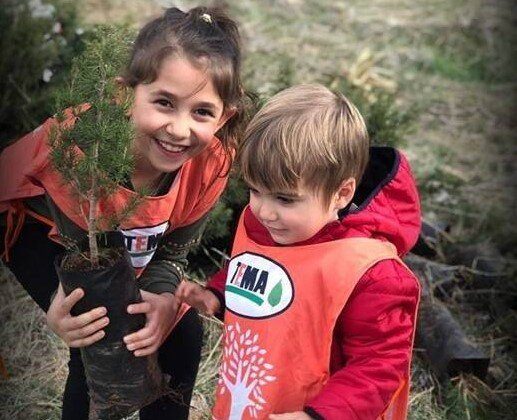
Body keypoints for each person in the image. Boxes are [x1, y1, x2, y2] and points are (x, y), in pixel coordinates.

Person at [0, 6, 246, 420]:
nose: (180, 130)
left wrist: (165, 298)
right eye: (164, 103)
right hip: (31, 222)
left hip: (106, 236)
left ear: (225, 118)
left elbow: (170, 251)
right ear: (122, 96)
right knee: (102, 335)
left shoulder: (212, 161)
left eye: (202, 112)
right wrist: (59, 307)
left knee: (182, 332)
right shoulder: (82, 152)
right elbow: (92, 263)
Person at [176, 84, 421, 420]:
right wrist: (218, 295)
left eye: (285, 199)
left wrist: (317, 416)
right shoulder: (269, 226)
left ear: (342, 193)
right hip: (255, 402)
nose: (264, 211)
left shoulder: (371, 273)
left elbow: (379, 365)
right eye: (255, 191)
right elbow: (259, 270)